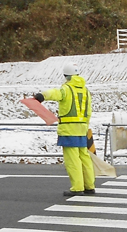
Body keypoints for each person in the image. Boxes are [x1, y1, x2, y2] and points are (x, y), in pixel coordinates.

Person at [34, 62, 95, 196]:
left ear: (66, 76)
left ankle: (77, 187)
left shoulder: (66, 89)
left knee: (72, 160)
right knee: (84, 157)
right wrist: (85, 126)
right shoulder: (85, 91)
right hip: (82, 128)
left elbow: (55, 93)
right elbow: (89, 111)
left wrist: (41, 96)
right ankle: (89, 186)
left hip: (69, 129)